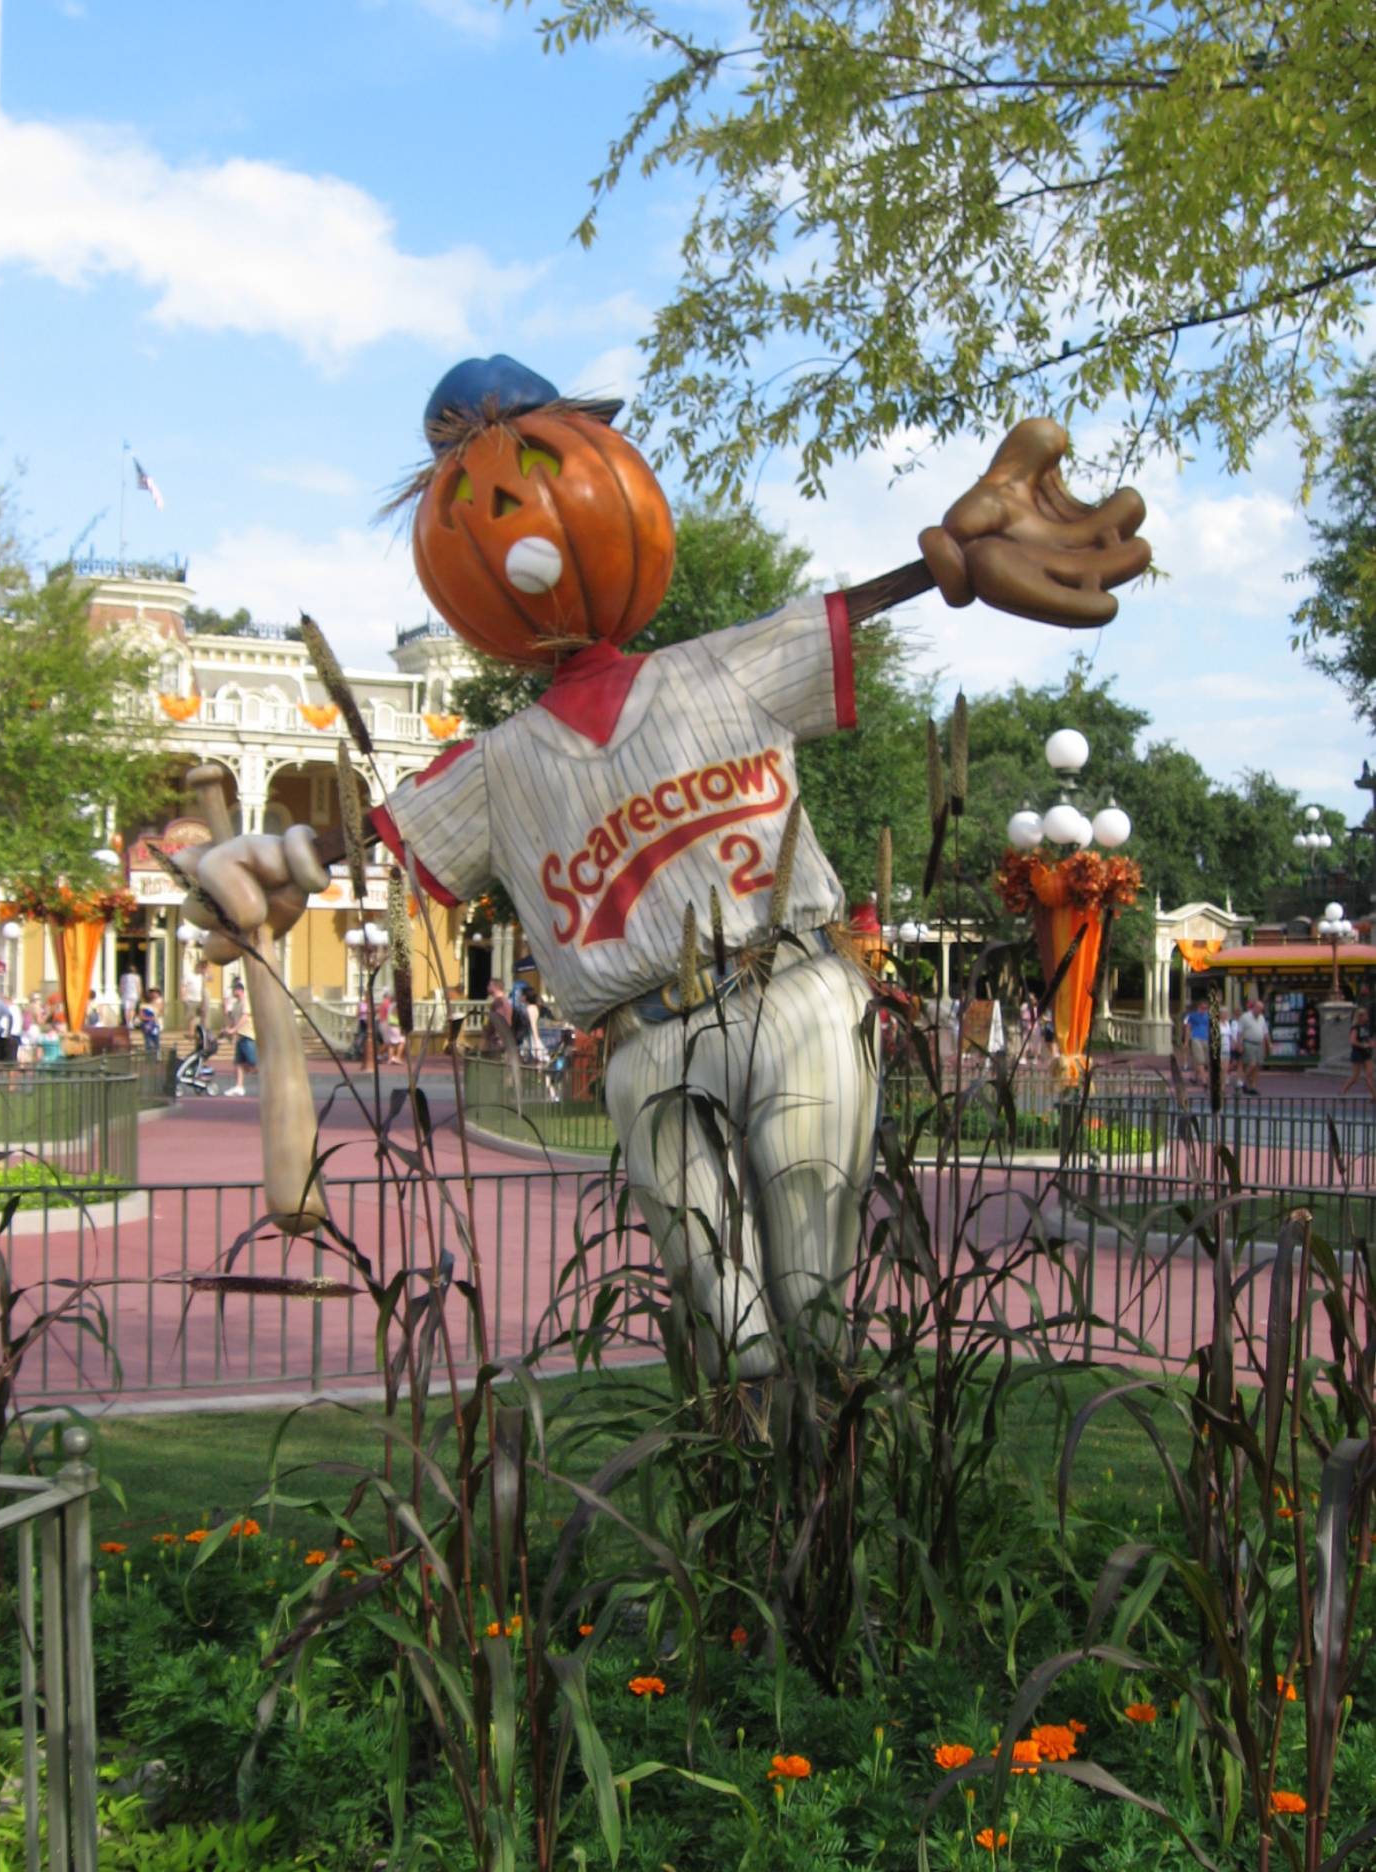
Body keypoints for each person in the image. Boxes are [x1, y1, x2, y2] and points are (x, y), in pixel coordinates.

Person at [176, 356, 1150, 1376]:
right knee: (731, 1323)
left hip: (798, 986)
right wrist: (273, 862)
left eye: (549, 469)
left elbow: (876, 601)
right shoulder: (496, 766)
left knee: (814, 1296)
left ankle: (814, 1494)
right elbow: (350, 841)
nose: (520, 521)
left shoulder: (726, 664)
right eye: (472, 502)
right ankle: (759, 1471)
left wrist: (956, 558)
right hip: (642, 1040)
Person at [223, 979, 257, 1096]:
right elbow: (234, 1019)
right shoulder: (236, 1004)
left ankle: (271, 1080)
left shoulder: (245, 1002)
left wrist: (234, 1029)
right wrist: (229, 1028)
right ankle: (239, 1086)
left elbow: (245, 1017)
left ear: (239, 990)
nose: (232, 992)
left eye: (234, 989)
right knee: (238, 1063)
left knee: (253, 1062)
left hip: (248, 1035)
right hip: (240, 1036)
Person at [1341, 1002, 1376, 1098]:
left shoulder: (1366, 1027)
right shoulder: (1355, 1028)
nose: (1367, 1017)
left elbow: (1368, 1038)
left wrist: (1372, 1043)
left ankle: (1374, 1095)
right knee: (1355, 1077)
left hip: (1367, 1053)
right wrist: (1363, 1045)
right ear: (1360, 1017)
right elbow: (1352, 1041)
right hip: (1358, 1053)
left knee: (1369, 1075)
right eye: (1365, 1015)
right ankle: (1343, 1092)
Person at [1237, 998, 1268, 1094]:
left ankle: (1253, 1086)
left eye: (1261, 1009)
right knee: (1251, 1064)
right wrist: (1240, 1044)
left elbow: (1265, 1032)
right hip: (1249, 1042)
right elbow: (1240, 1032)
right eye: (1258, 1008)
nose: (1260, 1011)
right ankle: (1242, 1082)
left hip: (1259, 1043)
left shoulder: (1262, 1018)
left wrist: (1268, 1044)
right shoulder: (1245, 1017)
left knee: (1257, 1066)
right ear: (1253, 1007)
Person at [1182, 999, 1212, 1087]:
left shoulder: (1208, 1016)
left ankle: (1195, 1076)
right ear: (1199, 1007)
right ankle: (1204, 1080)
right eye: (1203, 1008)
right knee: (1200, 1060)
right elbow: (1187, 1028)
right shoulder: (1192, 1015)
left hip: (1206, 1039)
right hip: (1196, 1038)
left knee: (1205, 1060)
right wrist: (1186, 1042)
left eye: (1206, 1008)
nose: (1204, 1010)